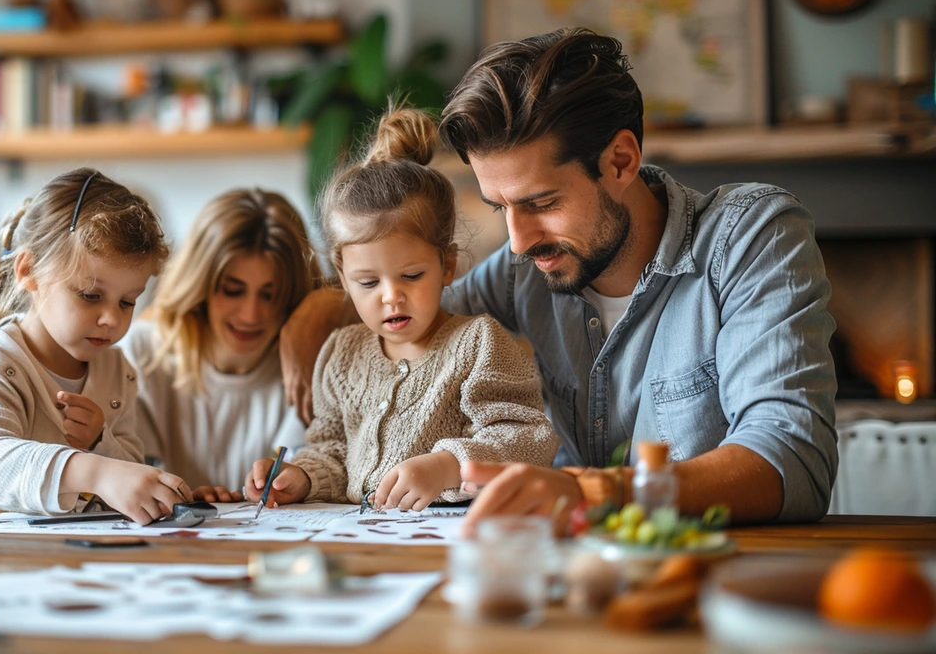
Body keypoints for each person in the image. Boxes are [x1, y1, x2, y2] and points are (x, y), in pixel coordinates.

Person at [281, 28, 839, 526]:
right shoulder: (524, 270)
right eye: (500, 208)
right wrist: (310, 315)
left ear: (620, 160)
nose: (519, 241)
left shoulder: (751, 236)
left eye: (542, 202)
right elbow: (407, 304)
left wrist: (586, 490)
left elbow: (790, 459)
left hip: (707, 579)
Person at [245, 108, 559, 512]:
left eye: (411, 276)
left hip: (453, 536)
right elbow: (334, 450)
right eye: (369, 282)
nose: (391, 297)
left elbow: (527, 438)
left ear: (447, 266)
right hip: (361, 540)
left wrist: (448, 467)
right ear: (343, 276)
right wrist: (301, 476)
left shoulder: (479, 344)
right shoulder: (341, 355)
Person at [0, 168, 192, 524]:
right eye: (91, 295)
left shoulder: (116, 370)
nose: (112, 319)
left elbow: (124, 479)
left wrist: (101, 441)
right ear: (28, 271)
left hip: (30, 538)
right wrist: (95, 471)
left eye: (127, 302)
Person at [105, 188, 319, 500]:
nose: (251, 315)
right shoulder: (144, 351)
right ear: (200, 286)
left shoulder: (310, 361)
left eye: (270, 295)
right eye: (233, 290)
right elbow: (127, 477)